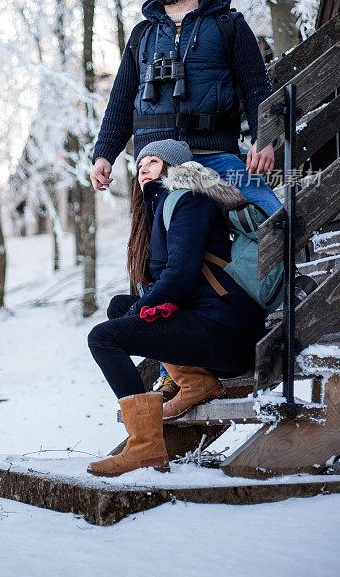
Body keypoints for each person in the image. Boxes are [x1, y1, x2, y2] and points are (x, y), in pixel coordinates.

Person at [87, 140, 266, 478]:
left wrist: (137, 314)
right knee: (119, 307)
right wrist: (136, 310)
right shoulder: (167, 204)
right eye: (140, 165)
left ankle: (145, 447)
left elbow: (181, 274)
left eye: (152, 162)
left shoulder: (190, 199)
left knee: (104, 338)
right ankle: (194, 381)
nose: (142, 169)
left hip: (228, 330)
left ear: (174, 168)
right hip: (211, 323)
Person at [90, 0, 281, 218]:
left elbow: (256, 88)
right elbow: (120, 103)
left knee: (274, 220)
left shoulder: (229, 25)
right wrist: (103, 156)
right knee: (174, 251)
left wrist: (265, 139)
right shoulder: (141, 35)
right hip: (158, 162)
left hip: (217, 155)